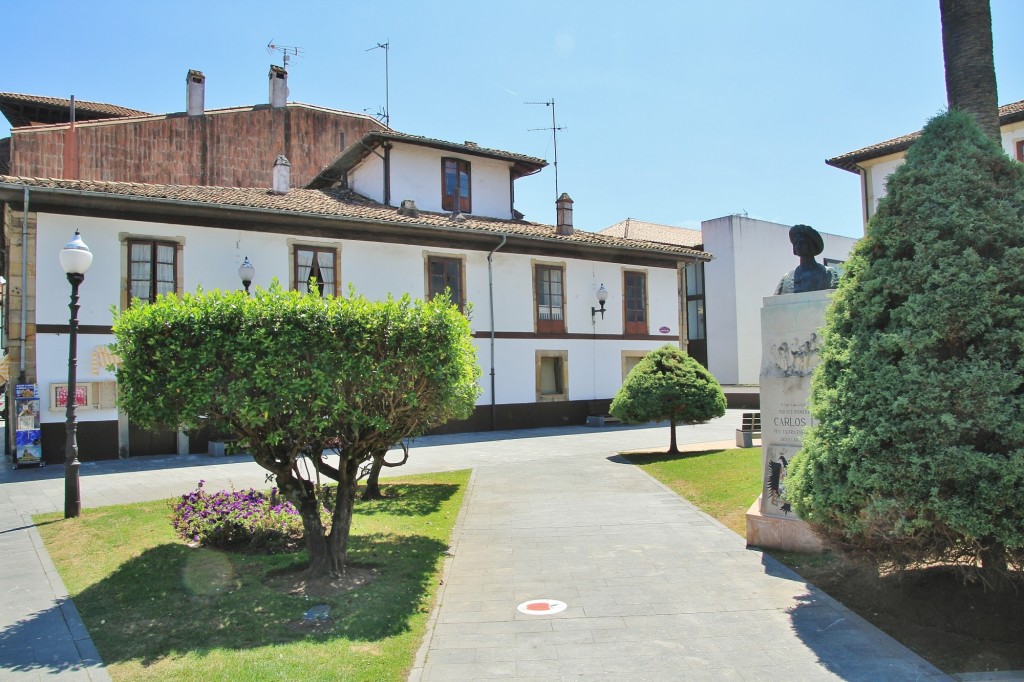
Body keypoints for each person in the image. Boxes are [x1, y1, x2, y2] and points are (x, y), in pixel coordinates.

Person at [774, 224, 840, 295]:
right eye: (795, 243)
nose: (798, 245)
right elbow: (773, 302)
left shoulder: (828, 273)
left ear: (811, 244)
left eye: (802, 242)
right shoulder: (787, 278)